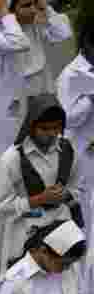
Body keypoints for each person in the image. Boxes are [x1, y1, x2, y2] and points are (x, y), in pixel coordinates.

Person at [0, 0, 72, 198]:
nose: (31, 11)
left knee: (40, 157)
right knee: (10, 162)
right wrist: (4, 14)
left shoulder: (35, 25)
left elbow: (63, 33)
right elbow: (18, 43)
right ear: (8, 7)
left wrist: (44, 7)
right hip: (10, 110)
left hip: (37, 102)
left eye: (33, 4)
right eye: (25, 6)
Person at [0, 93, 80, 271]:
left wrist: (67, 194)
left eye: (56, 128)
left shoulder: (67, 150)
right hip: (26, 222)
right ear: (31, 127)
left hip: (60, 224)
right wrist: (38, 199)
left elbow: (78, 187)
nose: (52, 134)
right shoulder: (12, 159)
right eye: (45, 129)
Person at [57, 21, 94, 233]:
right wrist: (90, 99)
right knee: (83, 218)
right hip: (81, 155)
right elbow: (66, 118)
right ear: (88, 45)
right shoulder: (71, 76)